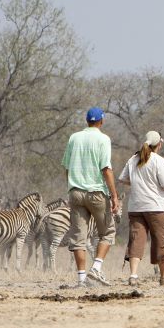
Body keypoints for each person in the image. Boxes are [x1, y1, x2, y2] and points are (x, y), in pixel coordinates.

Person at [61, 107, 120, 287]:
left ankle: (81, 280)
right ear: (101, 121)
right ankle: (96, 268)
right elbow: (106, 169)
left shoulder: (74, 138)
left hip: (75, 192)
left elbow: (66, 167)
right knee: (108, 232)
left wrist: (72, 186)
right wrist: (114, 195)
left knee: (78, 237)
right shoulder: (103, 139)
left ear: (87, 121)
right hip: (96, 193)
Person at [117, 131, 164, 286]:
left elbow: (123, 179)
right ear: (159, 144)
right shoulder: (159, 161)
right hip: (156, 207)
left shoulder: (133, 159)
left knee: (136, 240)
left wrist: (137, 183)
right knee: (160, 241)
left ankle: (133, 275)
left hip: (136, 206)